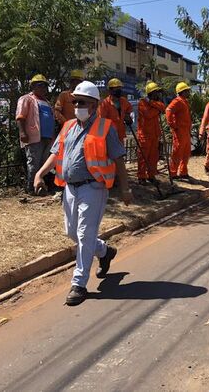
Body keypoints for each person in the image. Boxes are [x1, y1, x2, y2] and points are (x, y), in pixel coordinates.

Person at [33, 80, 132, 306]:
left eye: (83, 102)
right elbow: (56, 153)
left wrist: (125, 188)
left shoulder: (105, 128)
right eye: (75, 101)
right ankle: (104, 252)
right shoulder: (68, 126)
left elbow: (118, 159)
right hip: (70, 188)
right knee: (72, 233)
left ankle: (79, 284)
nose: (77, 106)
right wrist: (40, 173)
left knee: (85, 234)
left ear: (94, 105)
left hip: (93, 187)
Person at [16, 74, 55, 194]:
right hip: (34, 137)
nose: (43, 88)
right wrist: (23, 132)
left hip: (47, 138)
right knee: (33, 163)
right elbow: (20, 117)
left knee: (44, 165)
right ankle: (31, 189)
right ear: (33, 86)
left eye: (44, 86)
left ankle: (41, 188)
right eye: (40, 86)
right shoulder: (27, 99)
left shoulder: (46, 102)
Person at [137, 82, 166, 185]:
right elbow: (148, 114)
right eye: (156, 92)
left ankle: (151, 175)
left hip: (154, 134)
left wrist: (152, 103)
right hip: (144, 135)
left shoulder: (155, 103)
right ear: (151, 93)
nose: (157, 94)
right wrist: (156, 110)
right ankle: (141, 177)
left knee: (153, 157)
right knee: (143, 157)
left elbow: (163, 108)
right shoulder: (142, 103)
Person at [166, 82, 192, 180]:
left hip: (185, 131)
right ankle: (173, 173)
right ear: (182, 92)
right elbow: (168, 110)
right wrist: (172, 125)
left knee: (186, 153)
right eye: (187, 91)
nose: (189, 92)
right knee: (177, 152)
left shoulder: (184, 101)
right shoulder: (177, 101)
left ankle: (183, 172)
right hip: (180, 131)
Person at [98, 78, 133, 144]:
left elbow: (129, 108)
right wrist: (100, 139)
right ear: (110, 90)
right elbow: (101, 121)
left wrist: (127, 115)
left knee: (120, 153)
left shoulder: (123, 101)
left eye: (120, 88)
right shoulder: (105, 104)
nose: (119, 90)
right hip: (110, 136)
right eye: (116, 88)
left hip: (120, 134)